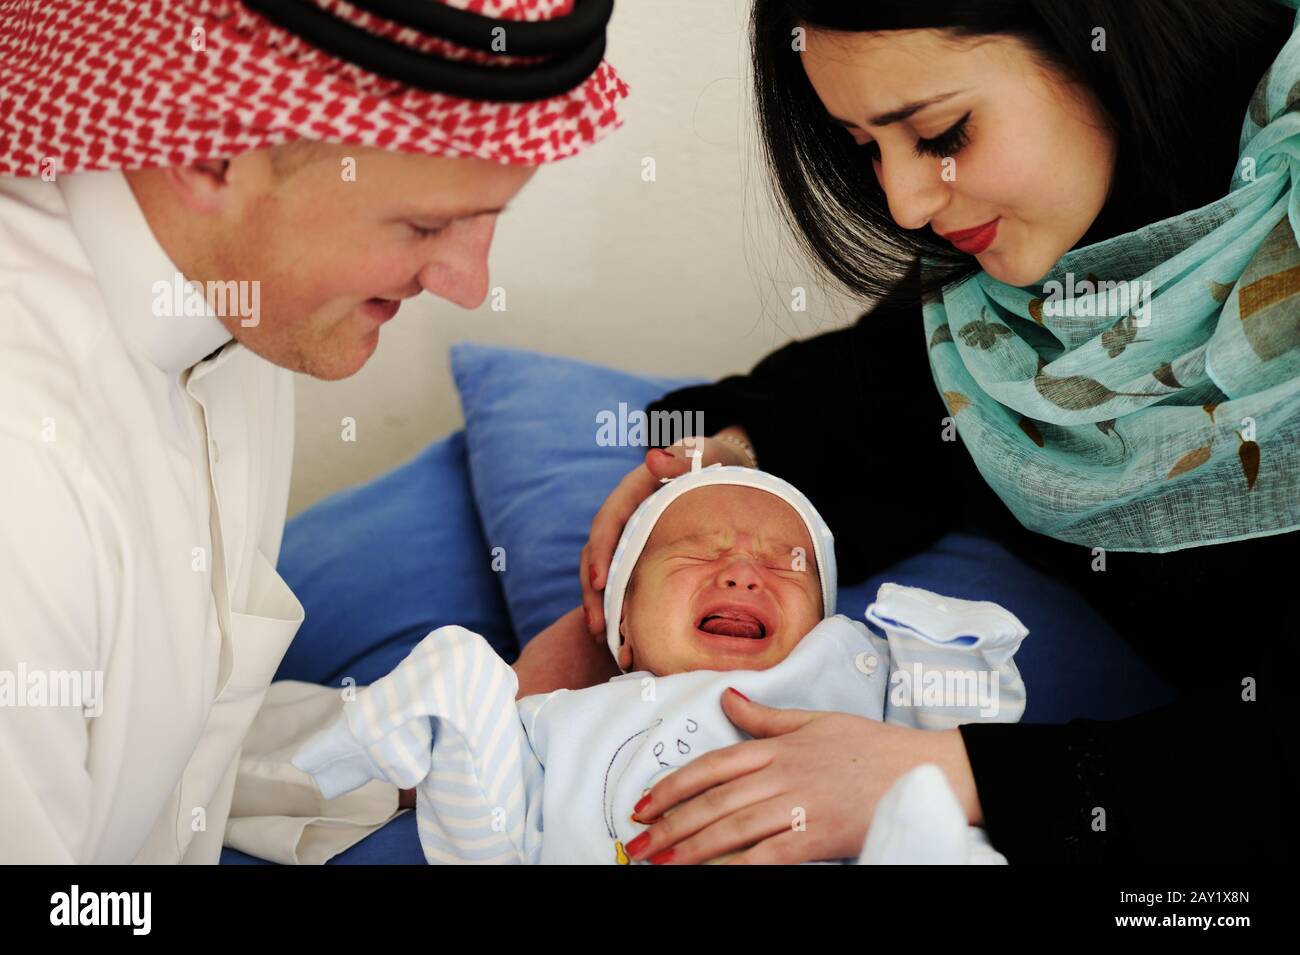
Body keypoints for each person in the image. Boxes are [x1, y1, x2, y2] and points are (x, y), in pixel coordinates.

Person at [577, 0, 1299, 864]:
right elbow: (860, 403)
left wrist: (941, 776)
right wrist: (717, 476)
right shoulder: (1002, 312)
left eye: (943, 134)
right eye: (864, 147)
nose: (908, 204)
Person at [0, 0, 625, 863]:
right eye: (426, 225)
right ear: (209, 149)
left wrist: (467, 726)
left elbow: (152, 762)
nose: (468, 284)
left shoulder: (232, 296)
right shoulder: (23, 478)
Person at [290, 465, 1029, 864]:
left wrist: (941, 635)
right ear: (624, 634)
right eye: (700, 551)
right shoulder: (562, 718)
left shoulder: (855, 667)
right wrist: (452, 697)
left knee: (938, 830)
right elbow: (482, 825)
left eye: (786, 563)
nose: (743, 572)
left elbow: (968, 726)